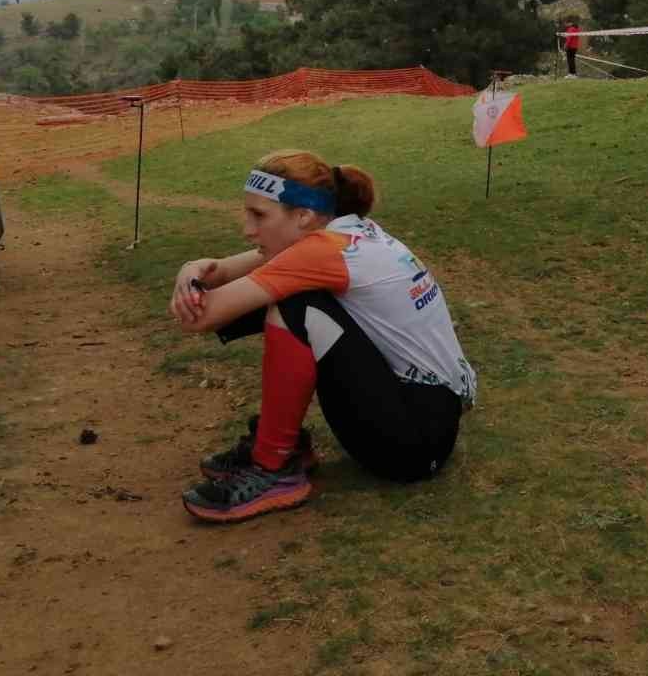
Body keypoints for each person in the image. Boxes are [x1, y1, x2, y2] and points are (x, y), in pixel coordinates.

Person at [168, 150, 477, 524]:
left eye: (259, 216)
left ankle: (273, 466)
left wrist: (192, 287)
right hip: (429, 420)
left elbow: (203, 315)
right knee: (289, 296)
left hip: (412, 445)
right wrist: (190, 269)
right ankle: (285, 448)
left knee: (296, 307)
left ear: (303, 216)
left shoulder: (322, 251)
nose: (247, 229)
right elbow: (220, 274)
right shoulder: (345, 234)